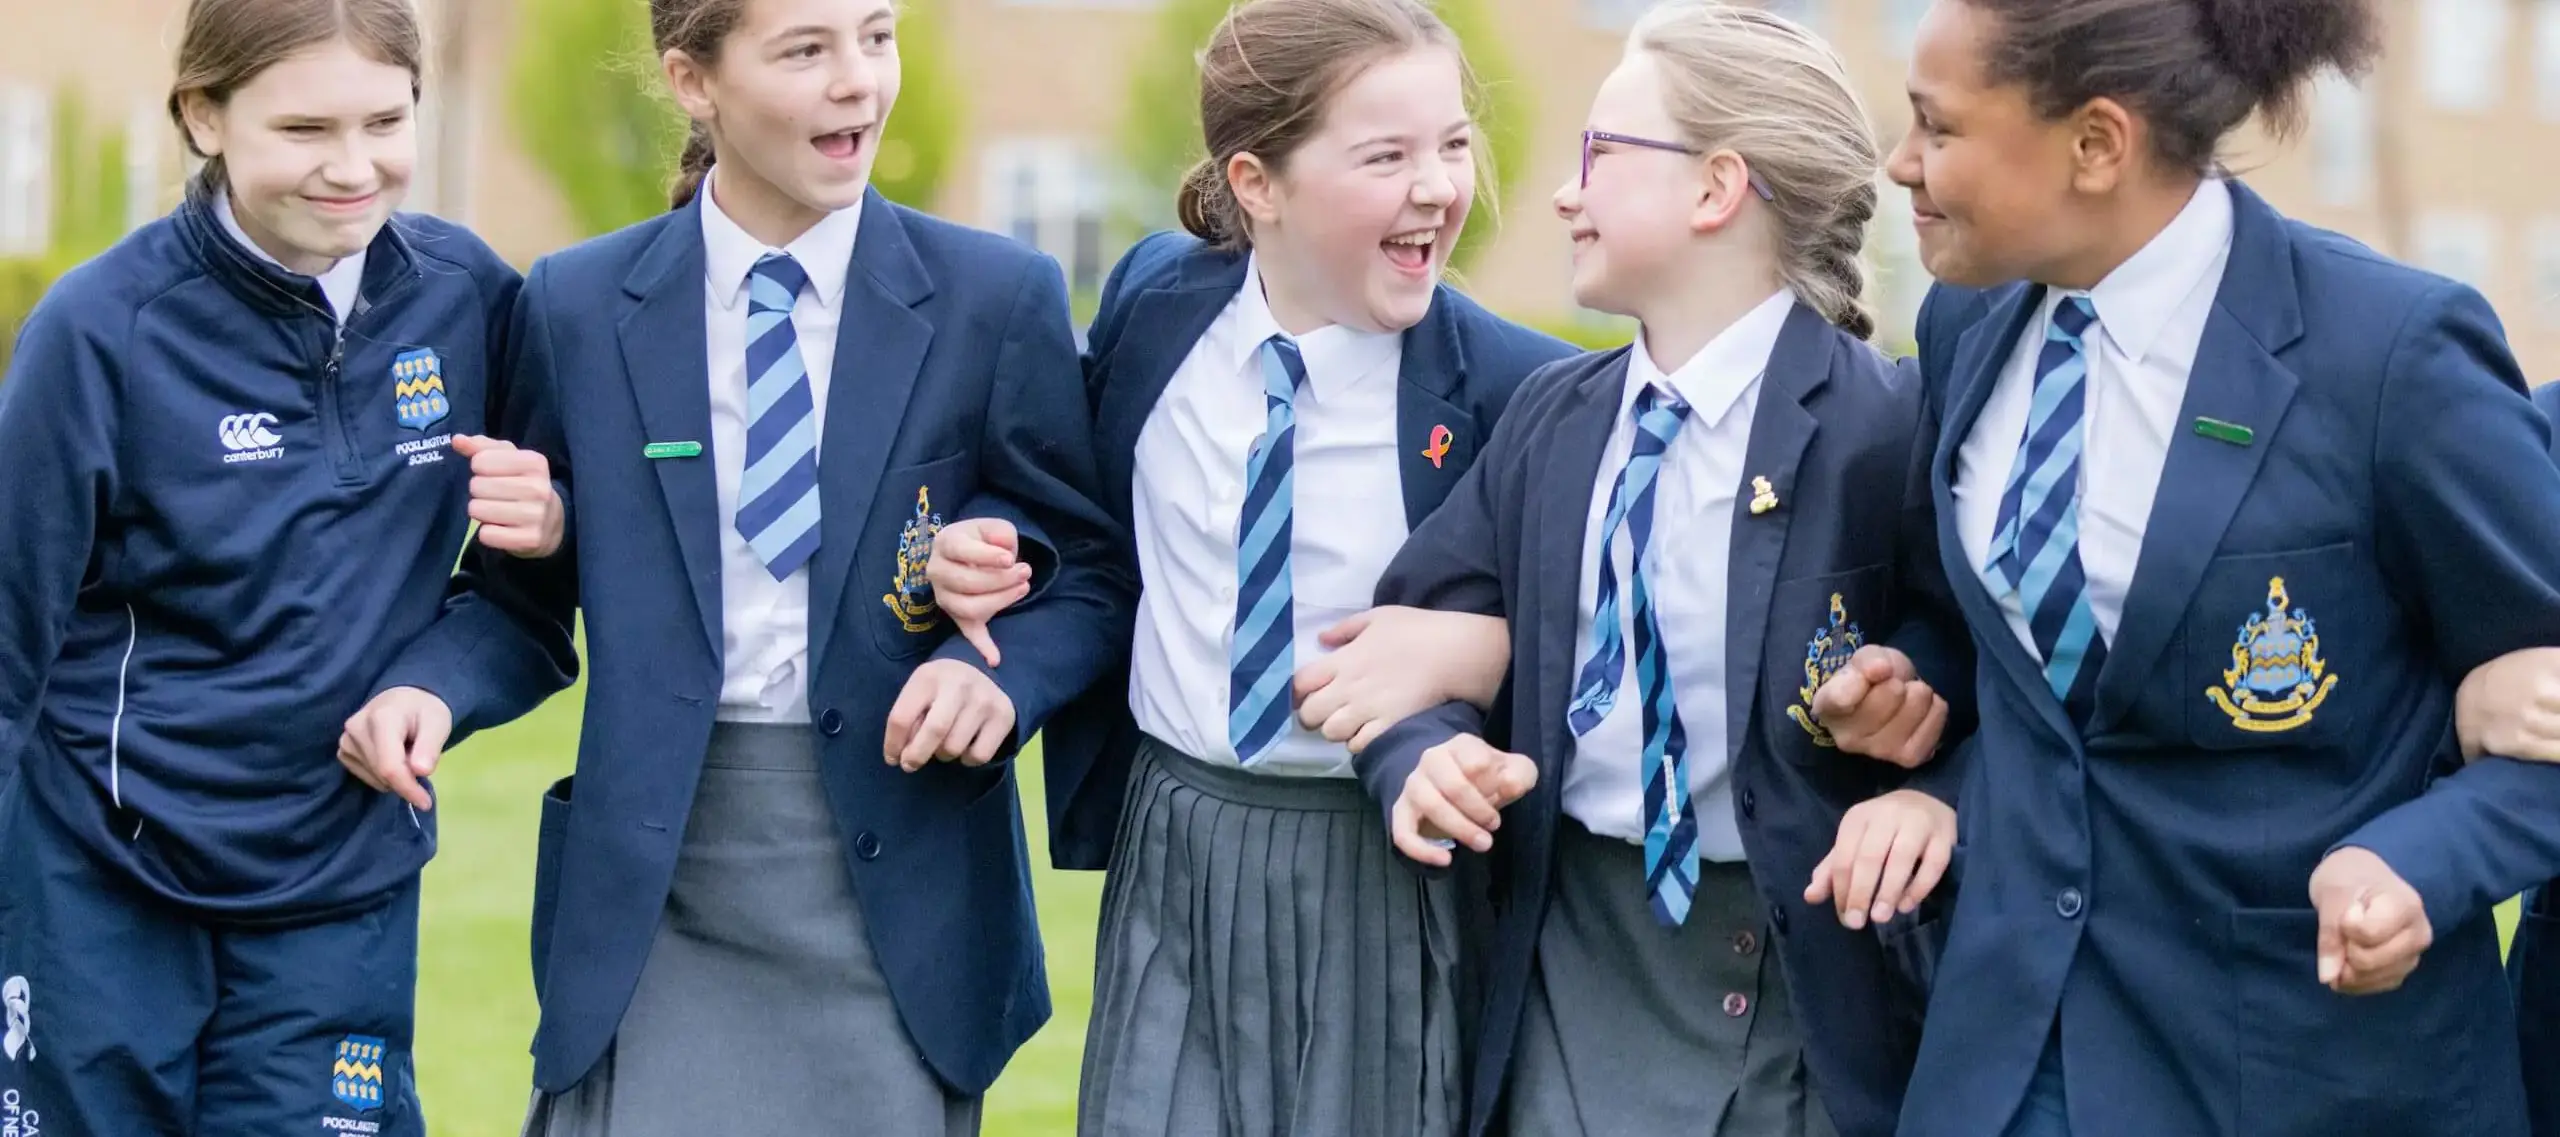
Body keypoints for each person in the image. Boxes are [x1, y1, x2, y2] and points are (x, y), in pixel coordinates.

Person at [342, 0, 1132, 1130]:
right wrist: (429, 686)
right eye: (807, 50)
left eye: (876, 35)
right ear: (692, 80)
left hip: (894, 899)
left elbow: (1089, 574)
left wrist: (995, 673)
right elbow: (520, 606)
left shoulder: (992, 299)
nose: (858, 80)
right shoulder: (574, 305)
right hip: (654, 891)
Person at [1887, 0, 2560, 1133]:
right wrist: (1908, 684)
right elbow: (1987, 643)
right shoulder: (1962, 326)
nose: (1900, 164)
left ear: (2097, 143)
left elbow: (2542, 706)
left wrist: (2423, 862)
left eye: (1937, 129)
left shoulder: (2391, 351)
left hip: (2296, 1069)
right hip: (2006, 1061)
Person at [925, 0, 1570, 1130]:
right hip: (1174, 841)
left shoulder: (1513, 393)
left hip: (1383, 864)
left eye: (1452, 144)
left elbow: (1593, 629)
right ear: (1256, 183)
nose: (1436, 186)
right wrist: (984, 547)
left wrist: (1492, 649)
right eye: (1386, 156)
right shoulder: (1154, 310)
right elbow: (1064, 509)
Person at [1343, 4, 1972, 1133]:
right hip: (1565, 960)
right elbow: (1426, 628)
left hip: (1798, 989)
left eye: (1599, 153)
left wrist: (1927, 764)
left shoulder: (1889, 431)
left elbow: (1980, 678)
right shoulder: (1552, 419)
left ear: (1714, 187)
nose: (1562, 191)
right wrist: (1422, 757)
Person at [0, 0, 574, 1131]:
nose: (353, 168)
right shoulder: (100, 331)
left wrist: (448, 667)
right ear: (204, 116)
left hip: (342, 878)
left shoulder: (471, 298)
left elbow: (533, 598)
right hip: (101, 877)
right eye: (304, 129)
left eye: (385, 120)